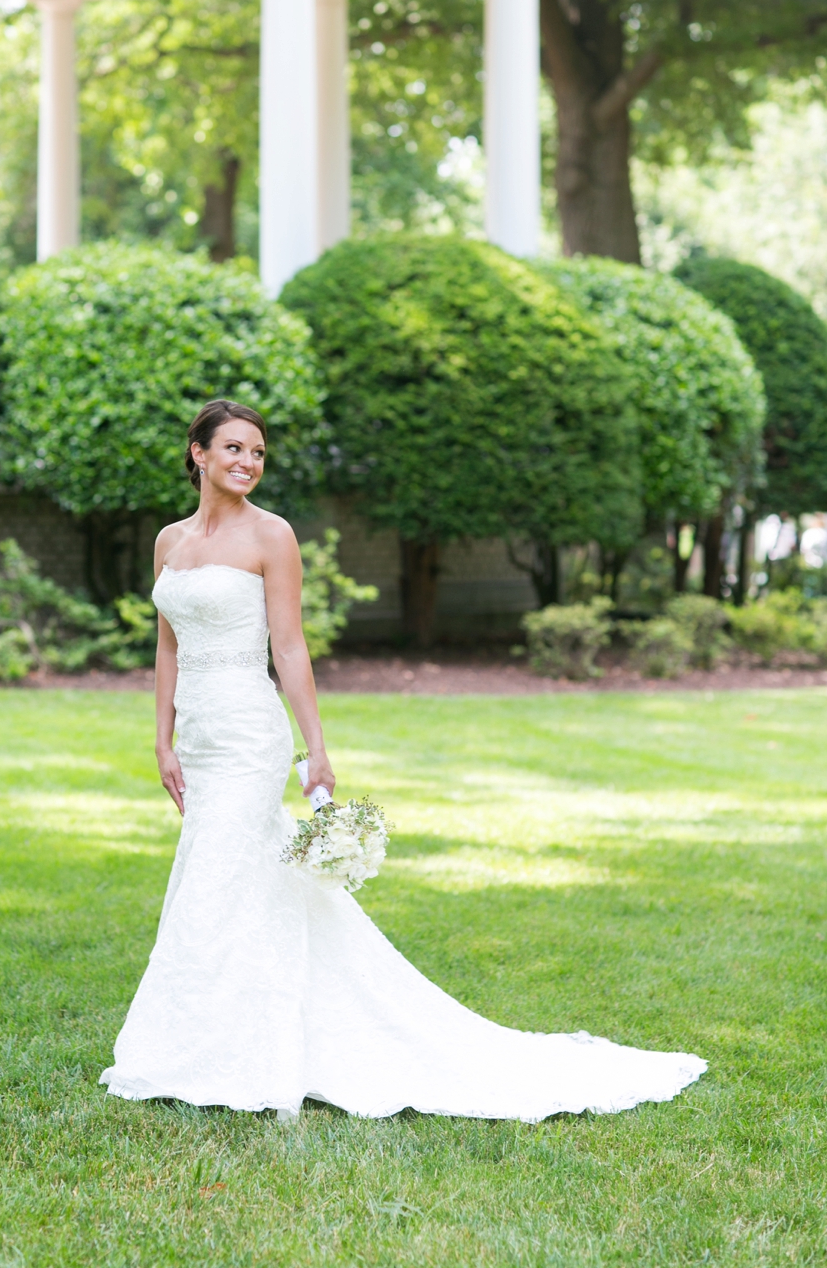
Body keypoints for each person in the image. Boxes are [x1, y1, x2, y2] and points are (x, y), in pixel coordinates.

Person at [100, 399, 706, 1121]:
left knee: (219, 868)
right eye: (233, 448)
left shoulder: (273, 536)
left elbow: (289, 647)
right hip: (196, 732)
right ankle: (202, 1037)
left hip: (248, 732)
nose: (248, 463)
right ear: (197, 453)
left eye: (258, 452)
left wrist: (315, 747)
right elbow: (167, 646)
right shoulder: (170, 542)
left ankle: (236, 1048)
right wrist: (161, 738)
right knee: (221, 870)